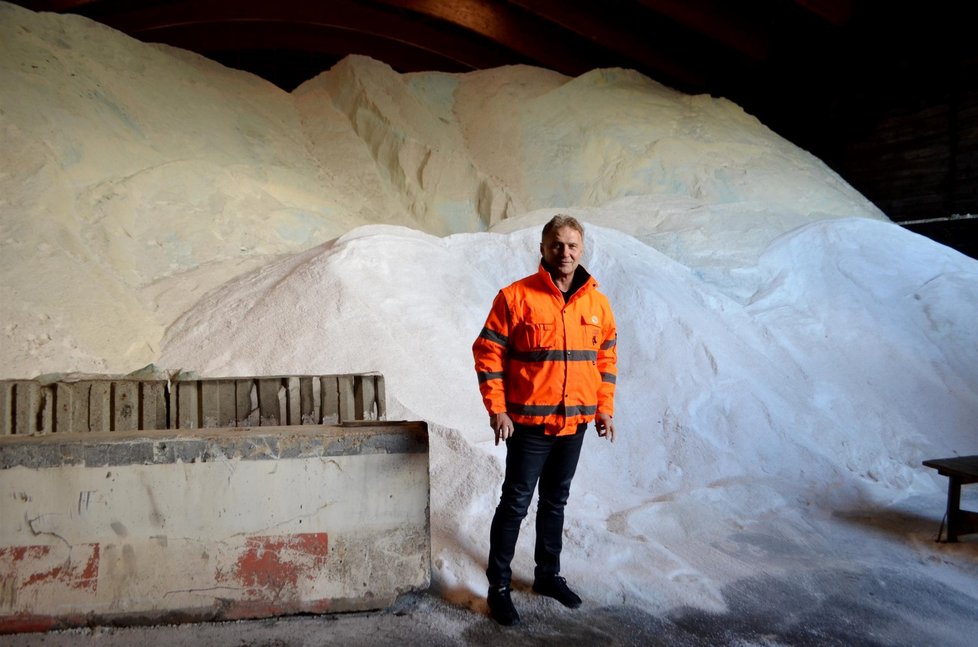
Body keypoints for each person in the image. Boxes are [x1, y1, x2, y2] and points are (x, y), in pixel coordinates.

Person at [472, 215, 618, 626]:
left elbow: (606, 359)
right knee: (516, 503)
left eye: (572, 246)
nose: (565, 253)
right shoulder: (516, 297)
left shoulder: (597, 303)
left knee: (556, 502)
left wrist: (603, 408)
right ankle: (498, 587)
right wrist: (497, 409)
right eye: (557, 245)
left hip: (576, 425)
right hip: (529, 427)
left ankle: (547, 576)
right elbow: (487, 353)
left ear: (582, 249)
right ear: (543, 248)